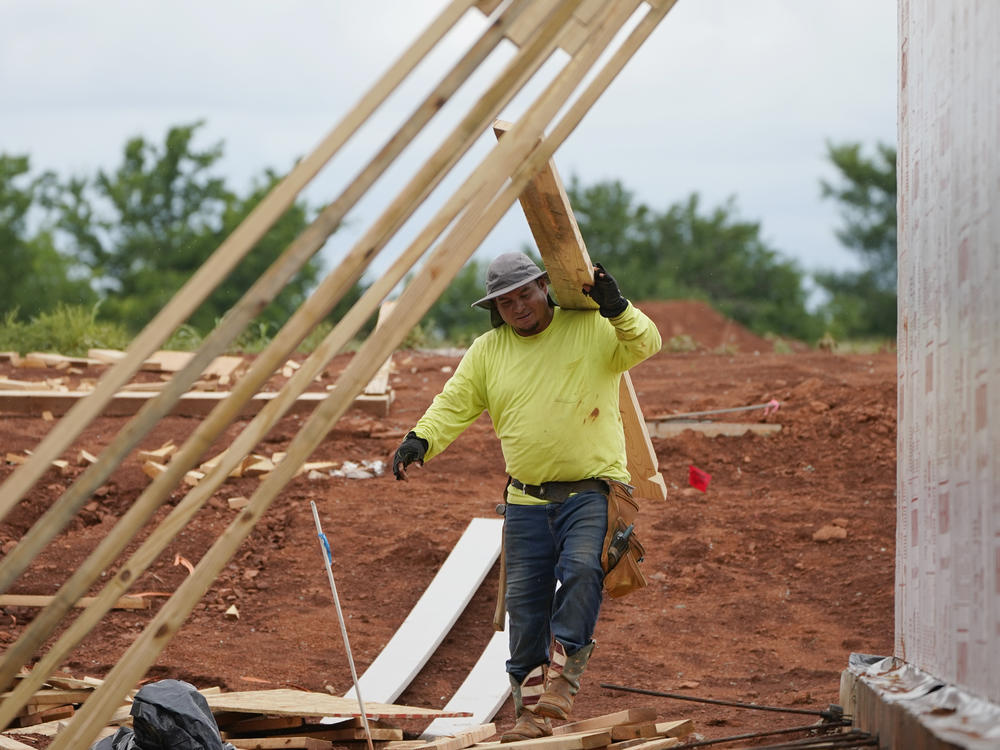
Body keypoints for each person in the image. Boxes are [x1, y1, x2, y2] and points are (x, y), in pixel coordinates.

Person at [392, 252, 661, 740]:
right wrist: (421, 439)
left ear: (544, 287)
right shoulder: (488, 351)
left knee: (582, 570)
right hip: (525, 500)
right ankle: (530, 715)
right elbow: (454, 402)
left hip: (591, 491)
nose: (518, 307)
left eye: (524, 295)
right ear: (495, 307)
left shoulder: (592, 328)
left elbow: (647, 342)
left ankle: (563, 681)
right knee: (525, 607)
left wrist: (617, 306)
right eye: (506, 301)